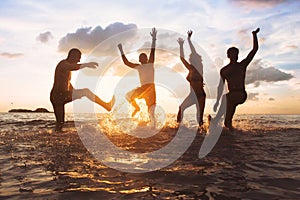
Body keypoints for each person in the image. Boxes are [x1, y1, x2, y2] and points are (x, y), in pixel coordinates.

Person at [50, 48, 115, 131]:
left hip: (59, 96)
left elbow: (68, 83)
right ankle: (107, 106)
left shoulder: (68, 68)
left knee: (60, 124)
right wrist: (86, 65)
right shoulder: (63, 64)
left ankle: (55, 138)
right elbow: (73, 67)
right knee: (86, 91)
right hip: (58, 95)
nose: (79, 60)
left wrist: (74, 91)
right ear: (73, 56)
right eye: (78, 57)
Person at [213, 28, 260, 130]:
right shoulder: (224, 70)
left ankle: (215, 121)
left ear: (238, 55)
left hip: (241, 94)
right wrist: (217, 102)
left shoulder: (242, 65)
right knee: (227, 120)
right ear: (228, 55)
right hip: (231, 96)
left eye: (236, 53)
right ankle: (231, 137)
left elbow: (254, 50)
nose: (235, 56)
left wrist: (254, 35)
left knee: (226, 98)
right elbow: (220, 87)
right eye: (233, 54)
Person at [117, 27, 157, 120]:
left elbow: (153, 51)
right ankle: (137, 108)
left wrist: (154, 39)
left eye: (144, 57)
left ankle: (153, 126)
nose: (142, 59)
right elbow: (126, 63)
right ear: (139, 60)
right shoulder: (138, 67)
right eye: (141, 58)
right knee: (128, 96)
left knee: (150, 110)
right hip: (143, 88)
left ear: (146, 59)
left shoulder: (150, 64)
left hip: (150, 88)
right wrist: (121, 51)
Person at [176, 30, 206, 127]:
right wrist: (181, 45)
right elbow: (182, 58)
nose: (190, 59)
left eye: (192, 58)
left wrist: (189, 40)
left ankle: (203, 134)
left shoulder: (199, 68)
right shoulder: (190, 69)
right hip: (192, 96)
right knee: (181, 108)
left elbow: (193, 52)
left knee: (199, 119)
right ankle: (177, 129)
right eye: (190, 59)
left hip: (200, 96)